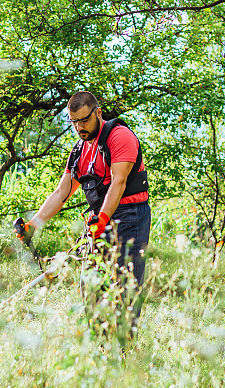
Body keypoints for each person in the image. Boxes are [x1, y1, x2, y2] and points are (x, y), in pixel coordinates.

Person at [16, 91, 151, 337]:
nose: (79, 127)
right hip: (101, 219)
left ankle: (124, 350)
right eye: (74, 122)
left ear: (98, 113)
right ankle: (99, 346)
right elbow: (61, 192)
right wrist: (34, 224)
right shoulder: (79, 151)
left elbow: (118, 183)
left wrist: (102, 219)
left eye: (84, 120)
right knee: (91, 285)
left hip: (130, 216)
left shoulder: (119, 136)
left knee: (125, 286)